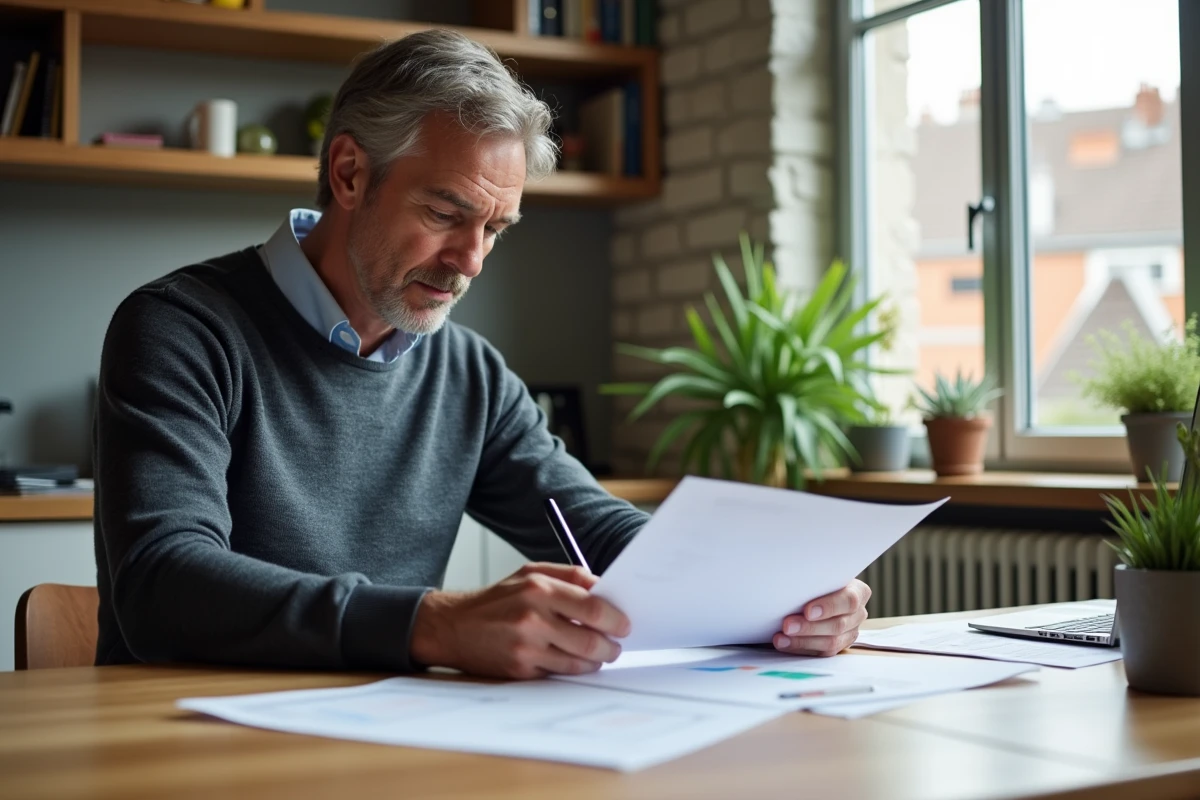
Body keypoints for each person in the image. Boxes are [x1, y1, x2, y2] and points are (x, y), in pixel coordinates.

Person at [93, 29, 871, 679]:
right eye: (445, 212)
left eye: (495, 229)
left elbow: (590, 525)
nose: (470, 260)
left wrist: (772, 594)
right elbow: (163, 580)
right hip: (188, 738)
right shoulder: (179, 329)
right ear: (350, 172)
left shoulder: (467, 372)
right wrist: (431, 624)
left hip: (381, 739)